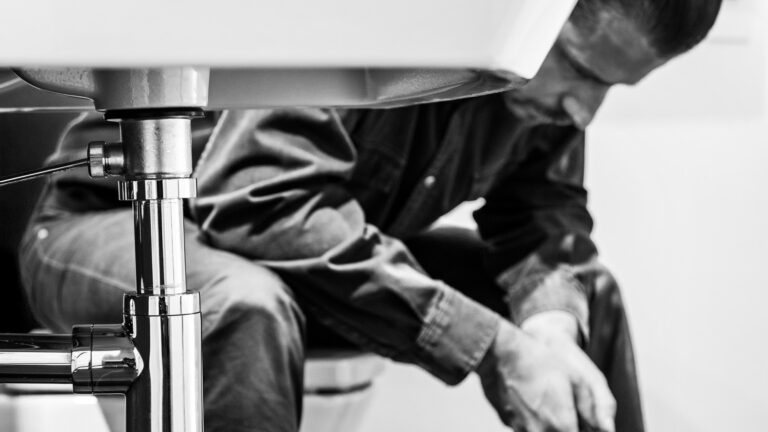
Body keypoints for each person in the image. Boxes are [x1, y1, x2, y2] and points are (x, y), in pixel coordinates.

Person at [18, 1, 722, 431]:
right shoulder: (384, 16)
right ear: (529, 12)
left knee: (584, 294)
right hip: (116, 230)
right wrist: (494, 349)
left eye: (613, 88)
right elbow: (264, 201)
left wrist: (550, 330)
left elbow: (543, 213)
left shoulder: (537, 90)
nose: (584, 111)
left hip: (296, 256)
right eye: (582, 71)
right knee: (242, 303)